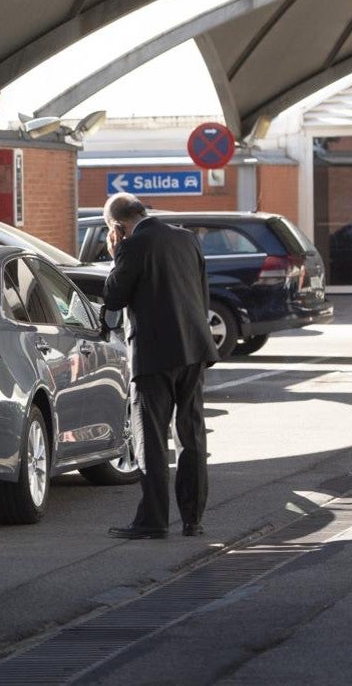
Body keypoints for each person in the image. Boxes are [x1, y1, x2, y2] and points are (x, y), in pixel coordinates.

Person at [102, 193, 218, 540]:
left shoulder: (132, 245)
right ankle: (193, 520)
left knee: (150, 438)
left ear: (118, 226)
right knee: (191, 436)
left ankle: (153, 520)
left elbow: (113, 297)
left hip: (153, 356)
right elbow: (201, 292)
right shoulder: (187, 239)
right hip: (194, 349)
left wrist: (115, 254)